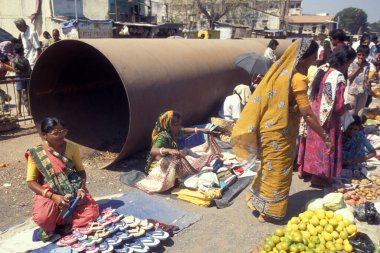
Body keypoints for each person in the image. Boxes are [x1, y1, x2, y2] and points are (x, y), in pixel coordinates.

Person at [231, 39, 333, 222]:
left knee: (269, 168)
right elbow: (308, 114)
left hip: (267, 128)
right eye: (312, 58)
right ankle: (269, 212)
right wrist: (325, 137)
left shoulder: (278, 74)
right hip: (281, 132)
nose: (313, 62)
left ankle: (259, 203)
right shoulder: (298, 79)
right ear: (303, 59)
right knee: (279, 171)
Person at [25, 117, 99, 241]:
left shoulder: (72, 148)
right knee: (43, 218)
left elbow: (81, 171)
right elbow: (31, 182)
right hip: (49, 190)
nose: (60, 136)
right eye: (55, 133)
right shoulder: (37, 153)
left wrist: (81, 189)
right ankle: (59, 222)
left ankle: (62, 223)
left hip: (72, 187)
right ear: (44, 135)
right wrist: (53, 196)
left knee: (91, 213)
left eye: (63, 131)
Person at [298, 46, 357, 186]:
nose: (349, 66)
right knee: (324, 146)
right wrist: (347, 107)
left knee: (312, 144)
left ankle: (305, 170)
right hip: (328, 120)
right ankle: (320, 177)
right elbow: (337, 106)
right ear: (346, 61)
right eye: (349, 63)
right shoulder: (338, 77)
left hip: (314, 114)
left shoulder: (322, 69)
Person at [136, 110, 220, 193]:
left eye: (180, 124)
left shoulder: (174, 131)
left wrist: (200, 130)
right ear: (170, 125)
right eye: (178, 125)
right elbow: (153, 151)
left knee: (187, 154)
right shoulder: (163, 136)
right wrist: (168, 150)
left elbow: (184, 130)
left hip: (169, 159)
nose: (180, 126)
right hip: (158, 165)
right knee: (181, 165)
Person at [346, 45, 376, 116]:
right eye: (359, 54)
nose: (361, 57)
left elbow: (367, 77)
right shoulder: (352, 63)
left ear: (367, 55)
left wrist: (370, 81)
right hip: (353, 91)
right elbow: (349, 77)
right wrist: (358, 67)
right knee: (350, 113)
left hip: (363, 92)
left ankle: (357, 126)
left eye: (363, 55)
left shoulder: (368, 65)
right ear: (356, 54)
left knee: (359, 114)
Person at [11, 43, 32, 117]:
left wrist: (21, 73)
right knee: (26, 95)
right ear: (22, 51)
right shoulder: (26, 60)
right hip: (26, 78)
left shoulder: (14, 60)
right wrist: (26, 74)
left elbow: (15, 70)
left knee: (19, 96)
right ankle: (29, 111)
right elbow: (29, 70)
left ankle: (19, 113)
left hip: (19, 78)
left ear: (15, 51)